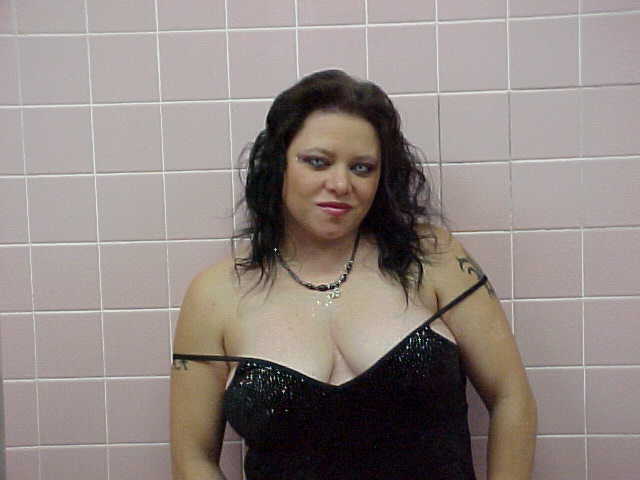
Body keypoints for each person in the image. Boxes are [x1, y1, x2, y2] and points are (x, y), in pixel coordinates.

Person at [170, 69, 537, 480]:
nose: (341, 183)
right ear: (278, 164)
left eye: (362, 167)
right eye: (317, 162)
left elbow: (511, 395)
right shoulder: (215, 296)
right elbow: (193, 457)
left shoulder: (434, 257)